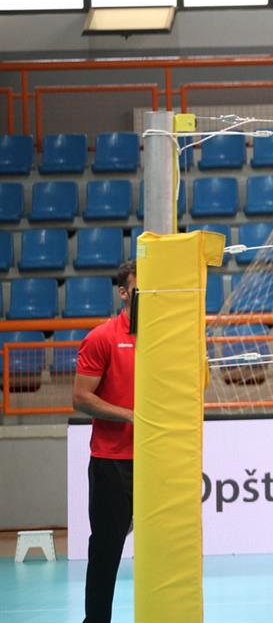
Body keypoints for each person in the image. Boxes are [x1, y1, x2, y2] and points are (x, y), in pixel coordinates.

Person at [73, 262, 138, 623]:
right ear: (123, 292)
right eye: (139, 288)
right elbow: (81, 397)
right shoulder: (102, 337)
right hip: (112, 462)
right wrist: (130, 415)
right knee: (106, 551)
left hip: (156, 459)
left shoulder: (164, 338)